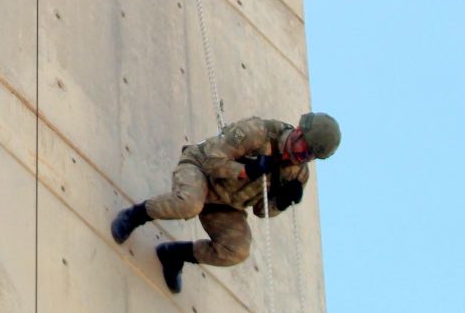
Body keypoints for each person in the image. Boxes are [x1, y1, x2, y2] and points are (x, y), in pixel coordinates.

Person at [110, 112, 341, 294]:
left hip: (226, 203)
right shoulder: (257, 132)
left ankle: (174, 255)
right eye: (305, 147)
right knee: (189, 204)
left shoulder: (297, 175)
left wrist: (282, 202)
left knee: (237, 250)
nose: (304, 156)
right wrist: (247, 170)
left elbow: (261, 211)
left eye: (312, 156)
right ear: (299, 131)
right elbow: (211, 160)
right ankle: (136, 215)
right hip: (201, 171)